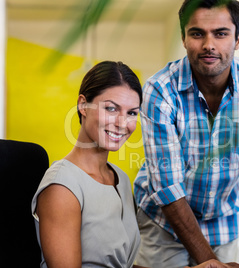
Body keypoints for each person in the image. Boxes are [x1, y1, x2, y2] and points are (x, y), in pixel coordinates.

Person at [134, 0, 239, 268]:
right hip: (163, 225)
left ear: (237, 39)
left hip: (224, 223)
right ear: (183, 38)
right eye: (197, 33)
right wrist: (209, 262)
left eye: (220, 33)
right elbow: (168, 188)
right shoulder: (160, 90)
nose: (209, 45)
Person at [31, 61, 227, 268]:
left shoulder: (120, 178)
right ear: (83, 105)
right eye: (111, 108)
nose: (122, 123)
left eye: (132, 113)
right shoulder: (62, 187)